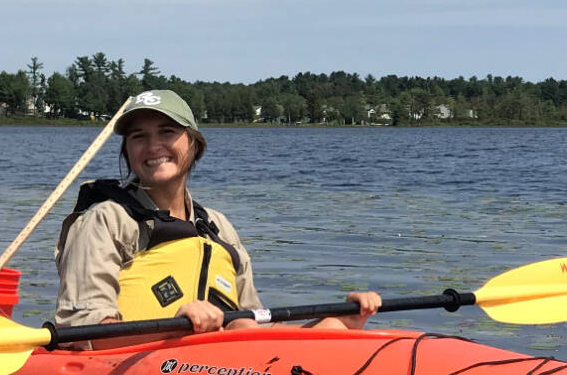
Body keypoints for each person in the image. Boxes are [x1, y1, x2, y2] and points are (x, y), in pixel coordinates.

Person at [54, 88, 379, 339]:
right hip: (139, 365)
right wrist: (174, 328)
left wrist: (334, 321)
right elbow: (83, 331)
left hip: (219, 366)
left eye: (167, 132)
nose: (153, 146)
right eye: (139, 137)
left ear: (195, 144)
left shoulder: (218, 228)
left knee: (320, 329)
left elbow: (257, 324)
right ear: (127, 151)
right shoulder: (105, 220)